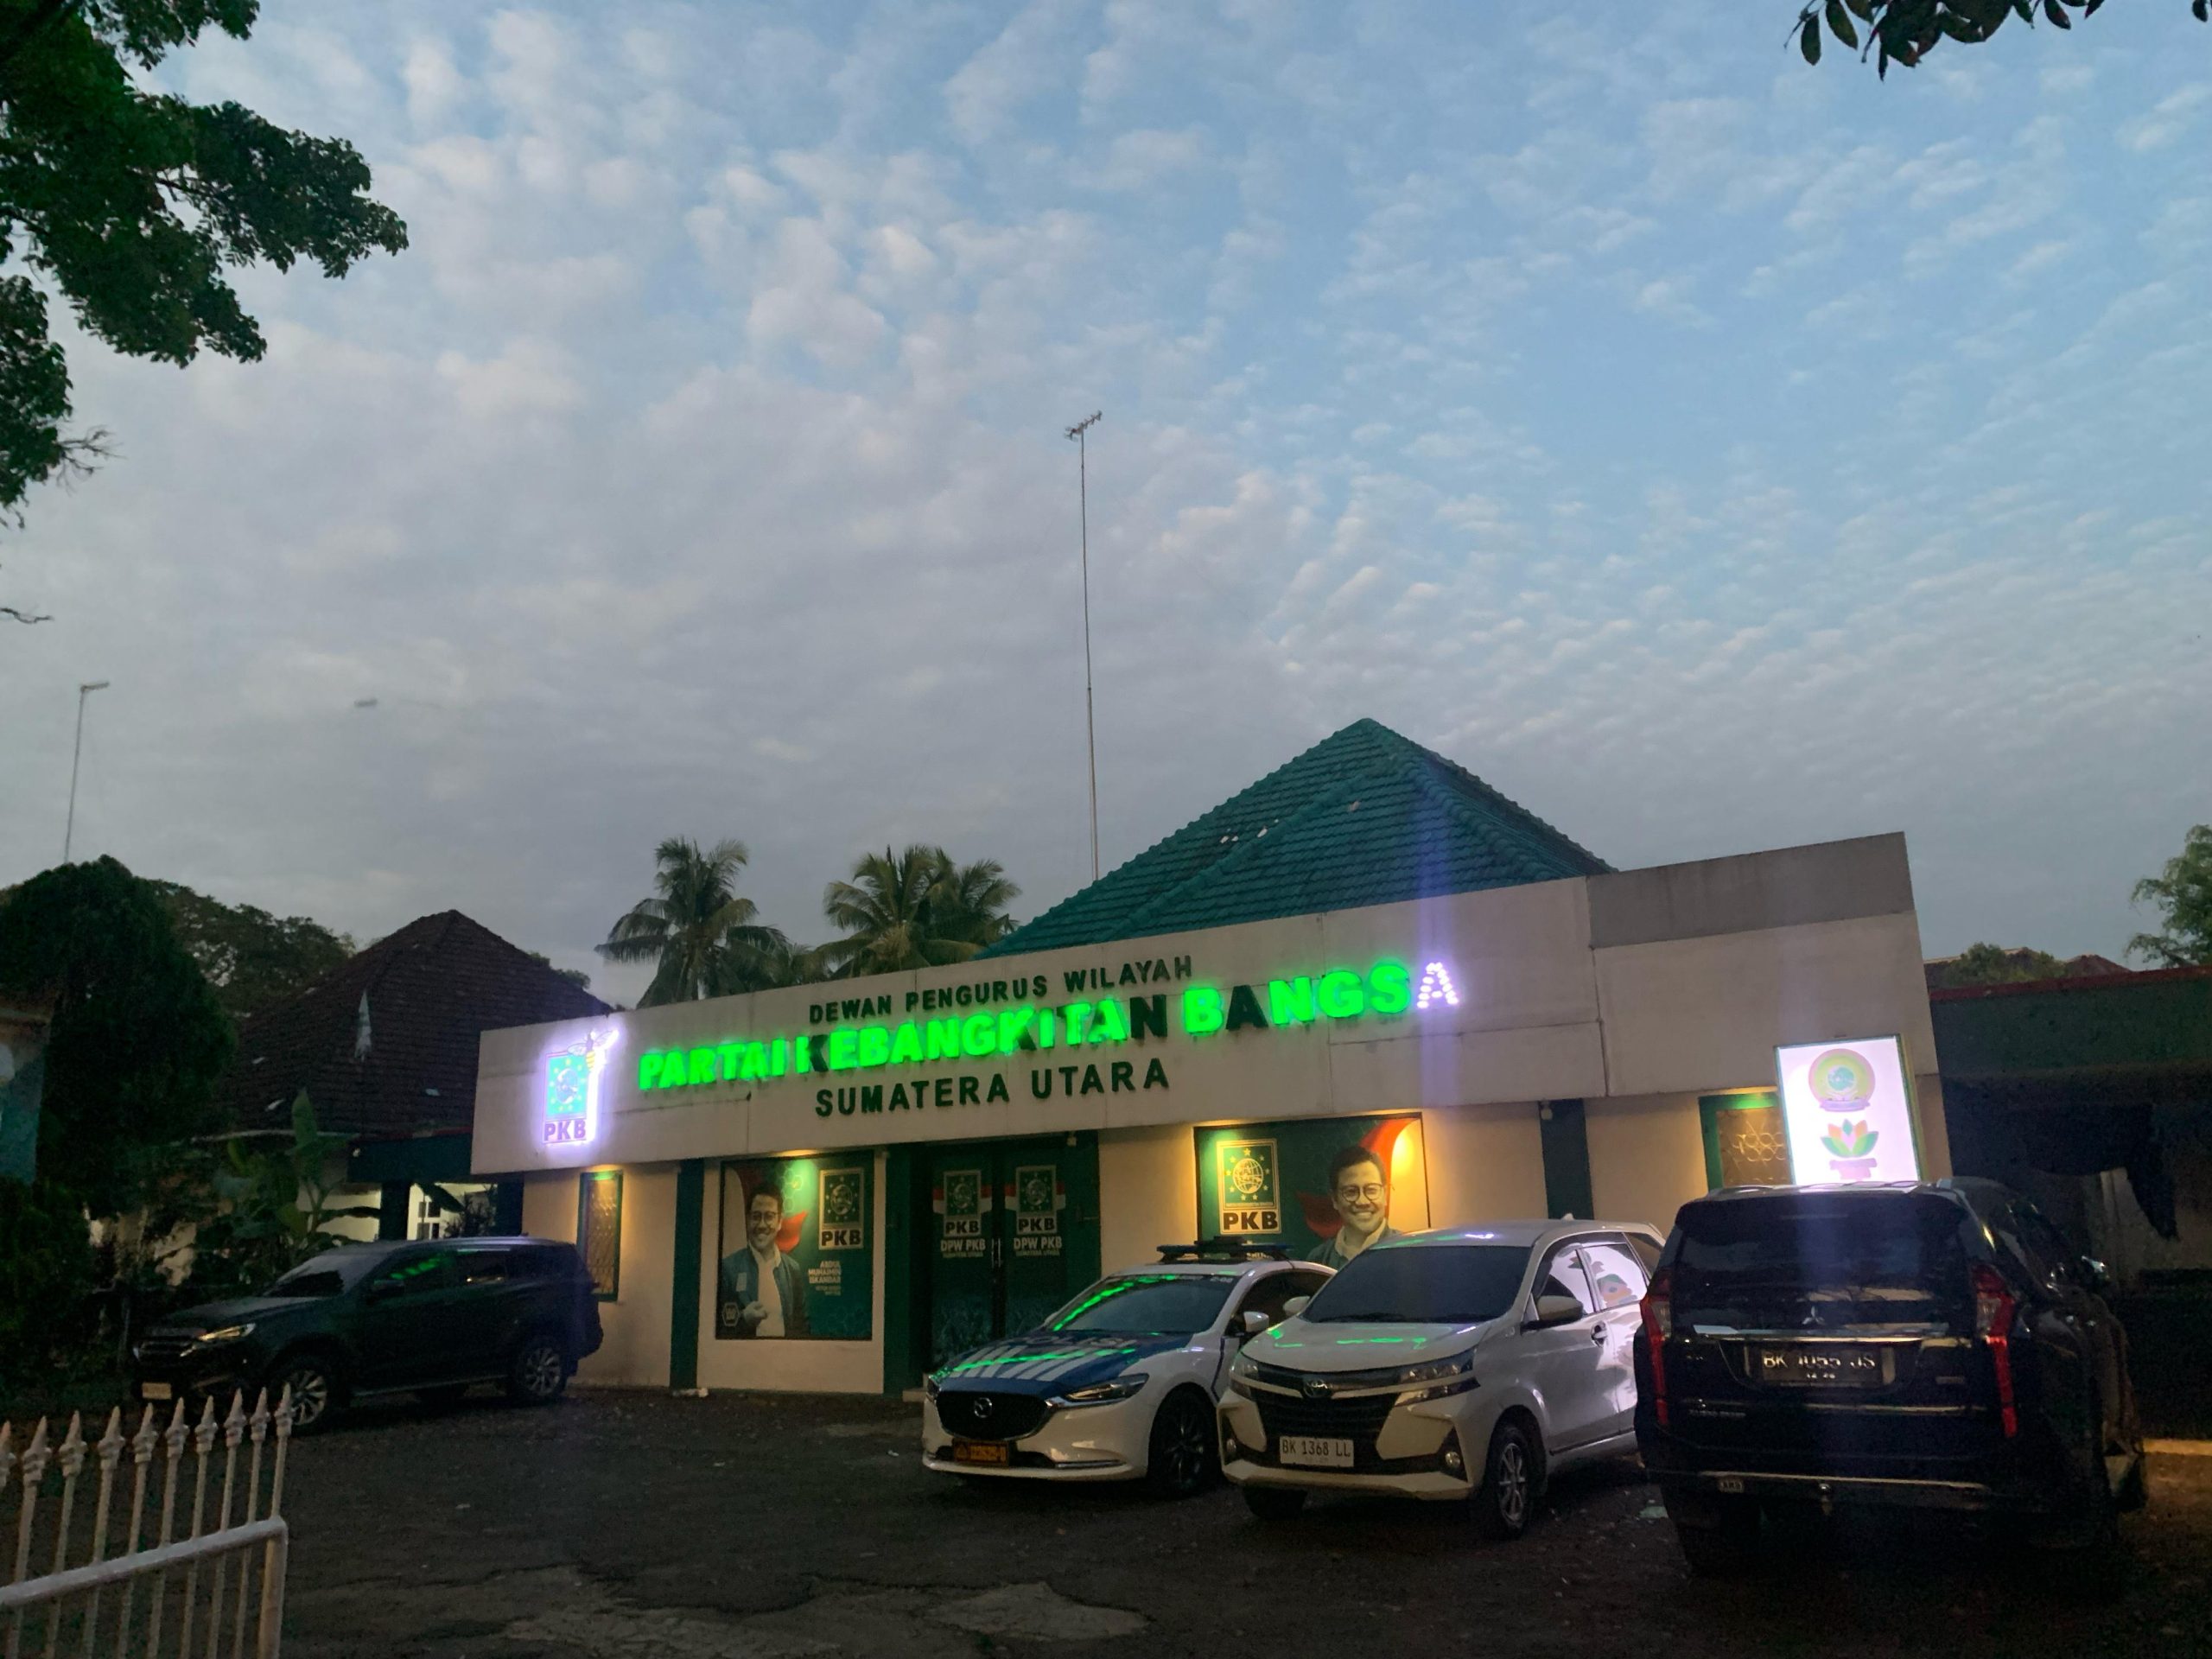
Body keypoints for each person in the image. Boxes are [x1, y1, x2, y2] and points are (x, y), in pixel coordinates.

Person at [719, 1178, 809, 1338]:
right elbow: (716, 1328)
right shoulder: (729, 1269)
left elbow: (802, 1326)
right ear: (747, 1220)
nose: (761, 1225)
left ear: (780, 1221)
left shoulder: (792, 1270)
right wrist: (743, 1319)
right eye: (756, 1216)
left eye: (769, 1216)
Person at [1317, 1145, 1401, 1268]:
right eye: (1351, 1192)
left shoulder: (1408, 1252)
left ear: (1385, 1194)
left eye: (1371, 1190)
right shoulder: (1319, 1259)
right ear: (1335, 1199)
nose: (1362, 1201)